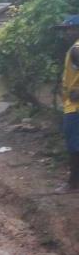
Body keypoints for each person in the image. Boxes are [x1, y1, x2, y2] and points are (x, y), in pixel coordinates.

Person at [56, 15, 79, 194]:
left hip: (75, 107)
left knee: (74, 145)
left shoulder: (77, 49)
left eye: (70, 29)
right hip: (71, 105)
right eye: (65, 30)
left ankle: (73, 183)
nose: (66, 33)